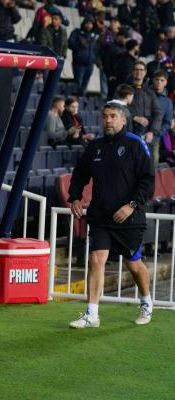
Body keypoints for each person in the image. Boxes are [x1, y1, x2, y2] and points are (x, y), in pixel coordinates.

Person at [68, 100, 155, 329]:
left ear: (124, 119)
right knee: (96, 260)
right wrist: (75, 197)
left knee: (133, 264)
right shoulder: (95, 146)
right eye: (105, 116)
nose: (108, 120)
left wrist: (131, 205)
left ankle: (146, 302)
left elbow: (148, 181)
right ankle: (92, 314)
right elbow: (79, 174)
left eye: (113, 116)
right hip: (101, 217)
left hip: (129, 217)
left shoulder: (136, 145)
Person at [128, 61, 163, 166]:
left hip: (146, 136)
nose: (139, 72)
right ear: (132, 72)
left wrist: (152, 131)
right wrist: (134, 118)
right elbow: (117, 109)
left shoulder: (150, 93)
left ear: (145, 72)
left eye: (141, 70)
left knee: (148, 168)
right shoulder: (123, 90)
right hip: (128, 135)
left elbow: (158, 113)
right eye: (136, 69)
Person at [68, 18, 98, 96]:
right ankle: (75, 100)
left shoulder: (94, 36)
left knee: (85, 84)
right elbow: (70, 43)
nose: (88, 25)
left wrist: (94, 59)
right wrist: (79, 46)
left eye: (90, 24)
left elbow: (96, 49)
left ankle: (80, 100)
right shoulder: (76, 32)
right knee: (78, 83)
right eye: (87, 23)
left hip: (90, 64)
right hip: (79, 63)